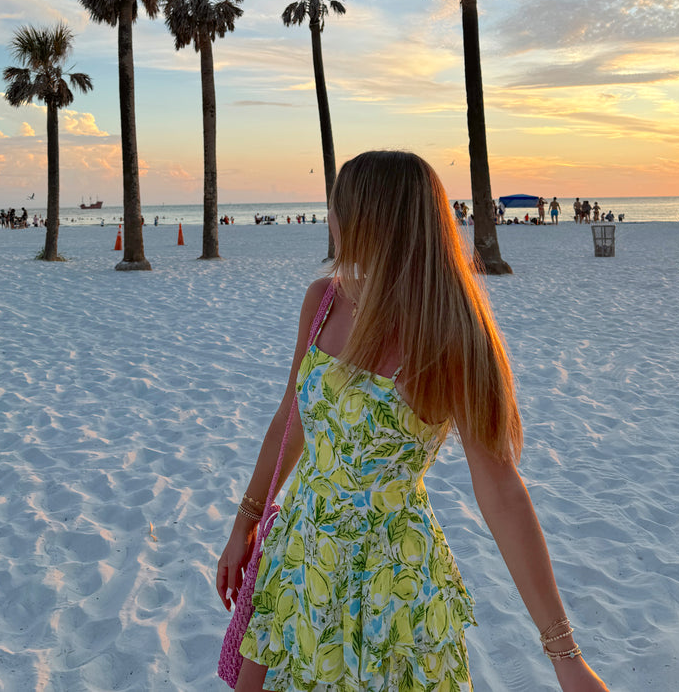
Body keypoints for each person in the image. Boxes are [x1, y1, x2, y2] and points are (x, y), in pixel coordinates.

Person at [217, 151, 609, 692]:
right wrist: (247, 519)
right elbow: (292, 417)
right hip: (300, 557)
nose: (331, 218)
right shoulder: (324, 301)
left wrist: (565, 655)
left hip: (394, 582)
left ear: (370, 218)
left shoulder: (450, 332)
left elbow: (501, 489)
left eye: (338, 206)